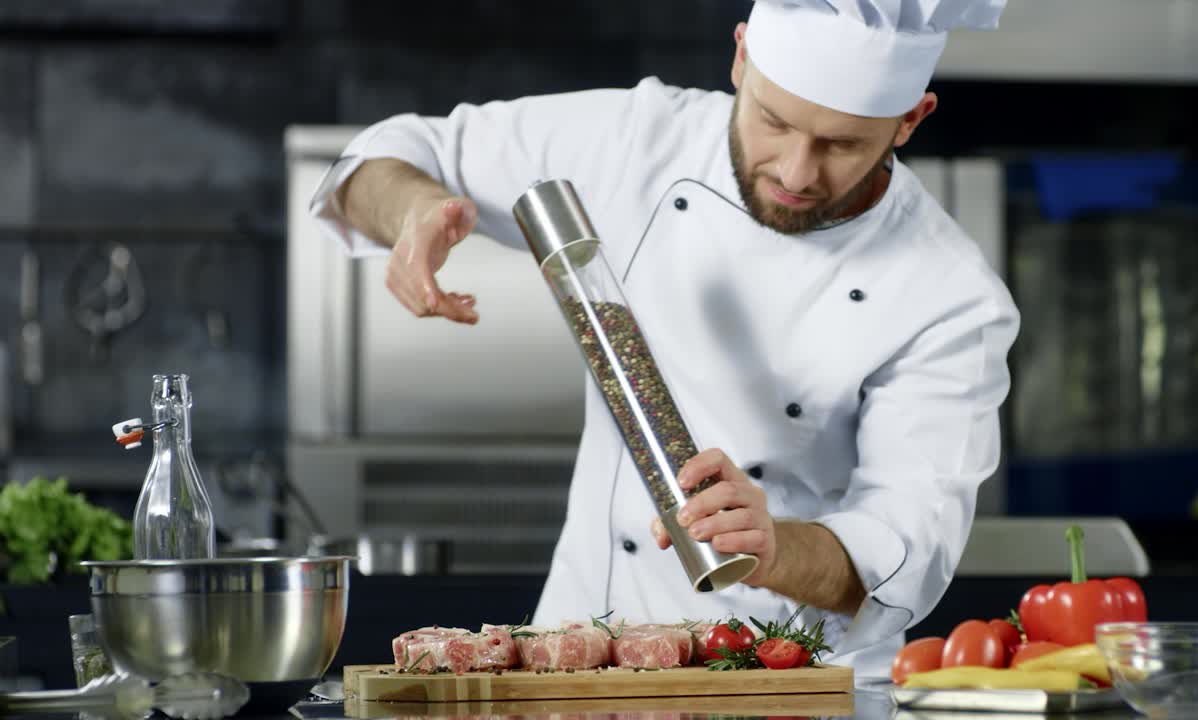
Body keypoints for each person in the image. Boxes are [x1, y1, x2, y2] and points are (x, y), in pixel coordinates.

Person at [309, 0, 1020, 674]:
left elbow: (906, 549)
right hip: (575, 662)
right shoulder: (640, 139)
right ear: (740, 58)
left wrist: (771, 548)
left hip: (788, 685)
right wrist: (414, 209)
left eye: (841, 145)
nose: (797, 173)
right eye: (772, 121)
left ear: (910, 119)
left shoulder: (951, 297)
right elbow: (384, 157)